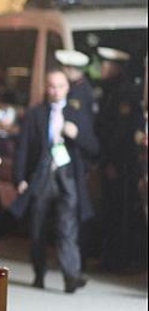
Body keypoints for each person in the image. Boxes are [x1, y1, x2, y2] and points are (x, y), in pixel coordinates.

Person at [9, 68, 99, 292]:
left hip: (68, 177)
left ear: (67, 88)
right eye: (51, 86)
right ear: (46, 88)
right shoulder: (35, 114)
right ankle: (39, 273)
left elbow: (94, 147)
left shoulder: (76, 113)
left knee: (67, 227)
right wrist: (19, 179)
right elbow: (23, 148)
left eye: (60, 86)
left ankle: (71, 275)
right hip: (42, 177)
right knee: (38, 226)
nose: (56, 91)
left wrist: (76, 134)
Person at [93, 47, 145, 271]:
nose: (102, 68)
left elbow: (120, 133)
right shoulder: (110, 90)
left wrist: (111, 162)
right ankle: (111, 257)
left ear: (117, 68)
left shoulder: (124, 93)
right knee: (111, 209)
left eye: (106, 65)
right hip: (112, 161)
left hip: (121, 163)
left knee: (119, 210)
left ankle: (119, 259)